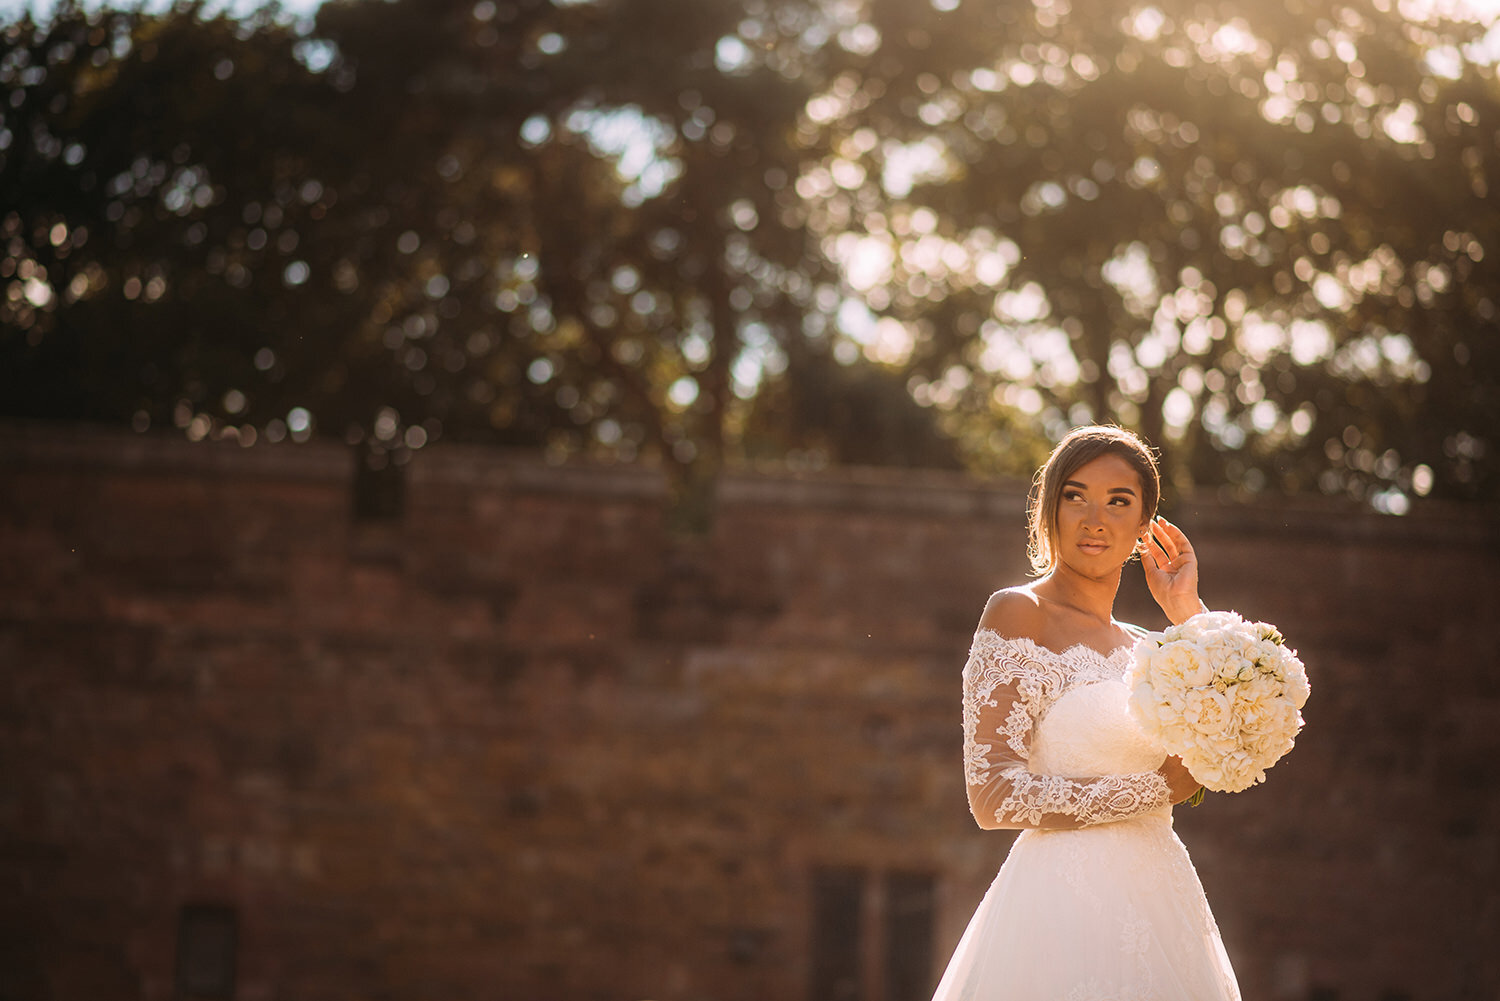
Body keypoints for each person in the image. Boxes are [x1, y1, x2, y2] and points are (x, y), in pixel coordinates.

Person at [932, 424, 1241, 1001]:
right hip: (1059, 910)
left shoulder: (1150, 647)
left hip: (1162, 905)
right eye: (1075, 495)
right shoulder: (1018, 613)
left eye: (1118, 502)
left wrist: (1186, 609)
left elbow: (1230, 733)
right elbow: (993, 795)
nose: (1094, 518)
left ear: (1147, 527)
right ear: (1049, 511)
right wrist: (1152, 790)